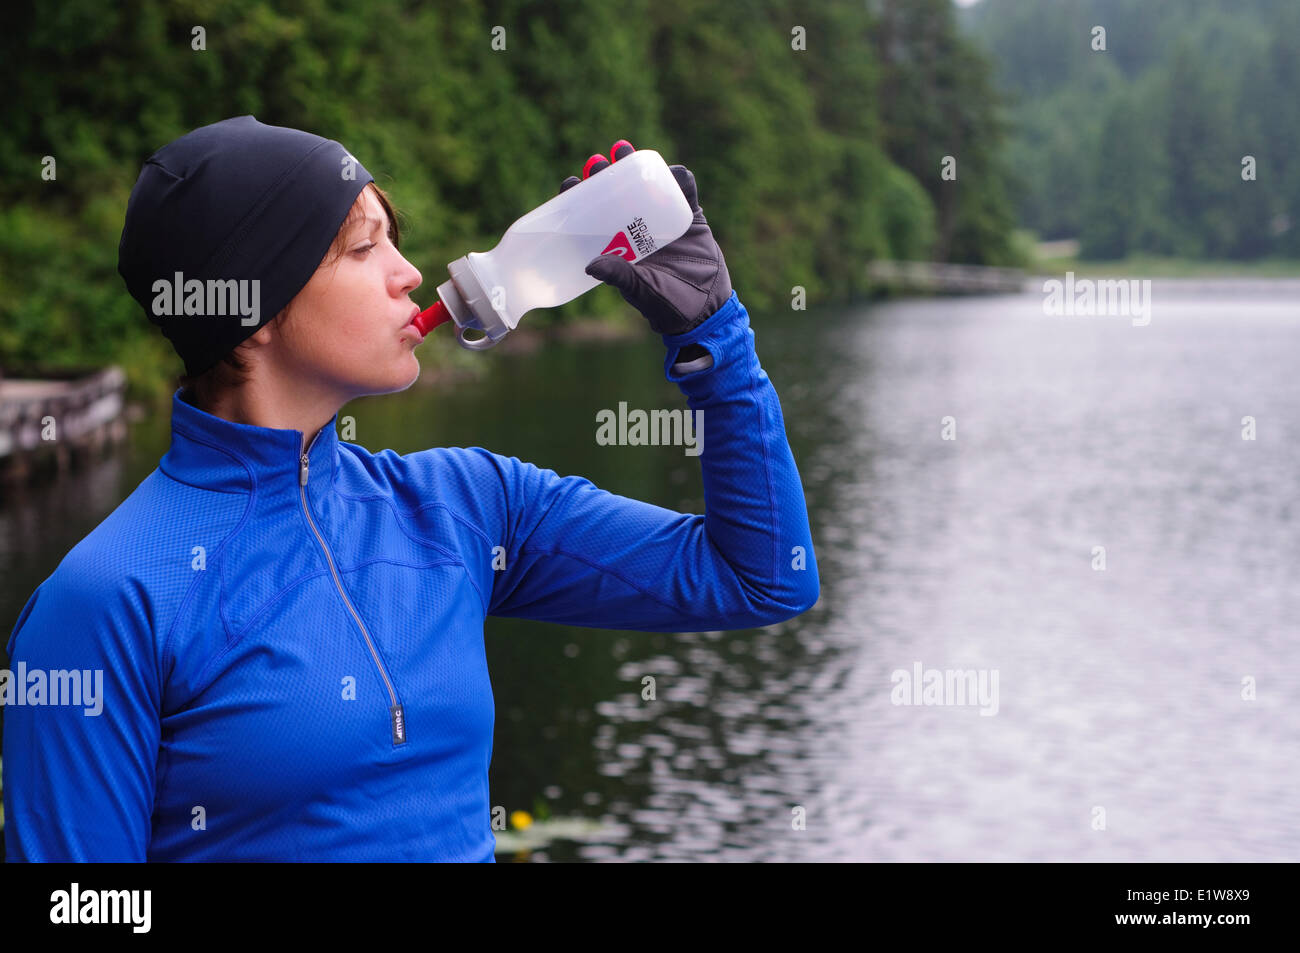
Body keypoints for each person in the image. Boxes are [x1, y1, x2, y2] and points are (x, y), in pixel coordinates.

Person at [2, 116, 819, 862]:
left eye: (395, 241)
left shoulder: (466, 506)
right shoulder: (106, 602)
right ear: (251, 310)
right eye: (365, 249)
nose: (411, 272)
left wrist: (713, 337)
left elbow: (760, 577)